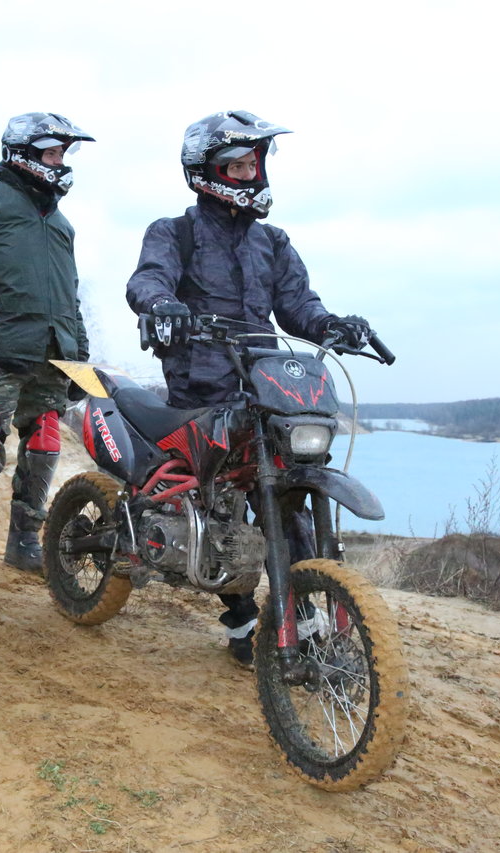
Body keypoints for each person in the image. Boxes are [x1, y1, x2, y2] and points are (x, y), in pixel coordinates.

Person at [125, 110, 374, 668]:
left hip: (263, 385)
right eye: (236, 165)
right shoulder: (174, 232)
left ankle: (307, 615)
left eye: (253, 163)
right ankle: (241, 616)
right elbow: (148, 278)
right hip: (200, 381)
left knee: (285, 496)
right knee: (220, 504)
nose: (249, 174)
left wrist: (332, 324)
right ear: (207, 171)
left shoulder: (272, 241)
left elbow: (298, 306)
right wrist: (163, 306)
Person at [0, 113, 95, 580]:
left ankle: (26, 540)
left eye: (64, 154)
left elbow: (70, 293)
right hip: (0, 341)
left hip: (55, 352)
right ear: (22, 153)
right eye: (52, 152)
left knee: (46, 441)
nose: (60, 161)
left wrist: (81, 355)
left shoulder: (62, 223)